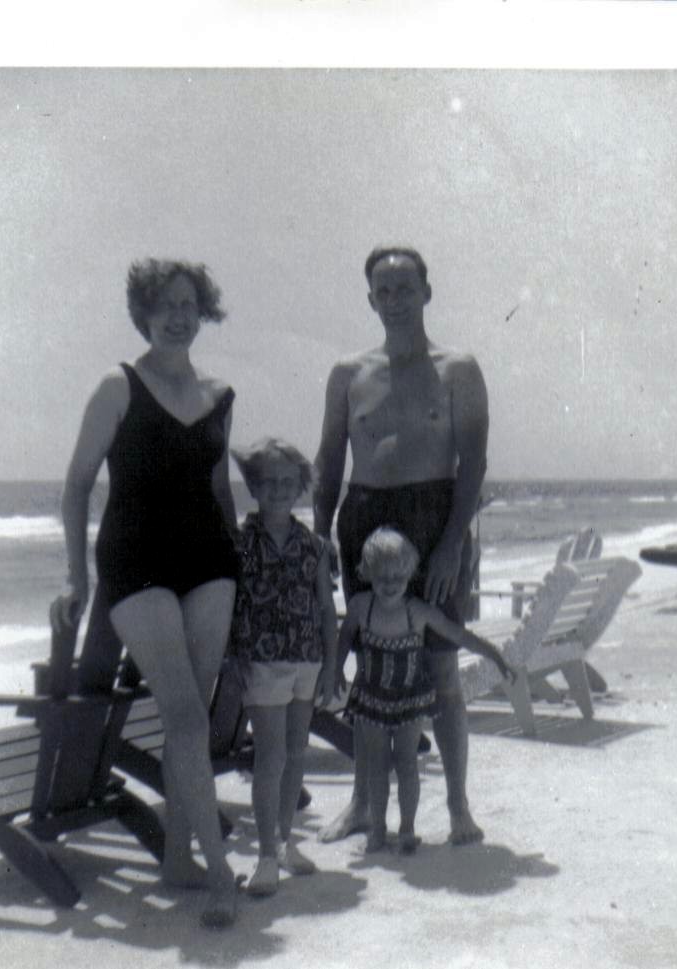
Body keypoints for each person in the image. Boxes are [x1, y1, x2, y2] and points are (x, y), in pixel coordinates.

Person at [50, 258, 241, 929]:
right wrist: (77, 576)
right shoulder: (118, 385)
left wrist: (242, 564)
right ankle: (221, 875)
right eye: (164, 305)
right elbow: (76, 486)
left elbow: (219, 490)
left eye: (189, 304)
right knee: (184, 715)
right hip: (135, 562)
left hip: (209, 560)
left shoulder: (220, 394)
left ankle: (179, 860)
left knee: (194, 719)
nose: (177, 316)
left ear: (202, 311)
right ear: (143, 313)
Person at [314, 245, 490, 845]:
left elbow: (473, 464)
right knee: (370, 673)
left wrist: (451, 544)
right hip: (364, 519)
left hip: (434, 516)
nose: (394, 300)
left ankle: (459, 808)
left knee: (441, 667)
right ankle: (363, 805)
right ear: (370, 299)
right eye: (383, 291)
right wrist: (320, 536)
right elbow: (329, 461)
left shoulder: (458, 369)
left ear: (426, 293)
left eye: (405, 288)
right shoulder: (348, 373)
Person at [320, 527, 514, 854]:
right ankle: (377, 830)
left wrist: (495, 655)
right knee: (377, 767)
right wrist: (336, 668)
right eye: (382, 577)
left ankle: (407, 829)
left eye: (398, 576)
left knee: (407, 764)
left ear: (410, 574)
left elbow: (458, 635)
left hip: (409, 700)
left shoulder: (417, 611)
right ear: (367, 573)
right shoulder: (361, 607)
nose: (390, 584)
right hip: (371, 699)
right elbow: (345, 637)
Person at [228, 438, 338, 897]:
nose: (278, 489)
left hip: (306, 659)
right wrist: (229, 655)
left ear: (301, 487)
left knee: (296, 755)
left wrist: (332, 666)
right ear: (253, 486)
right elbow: (228, 604)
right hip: (261, 662)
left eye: (288, 482)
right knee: (270, 758)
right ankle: (266, 857)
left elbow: (326, 609)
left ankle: (285, 842)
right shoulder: (240, 542)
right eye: (269, 481)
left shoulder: (314, 546)